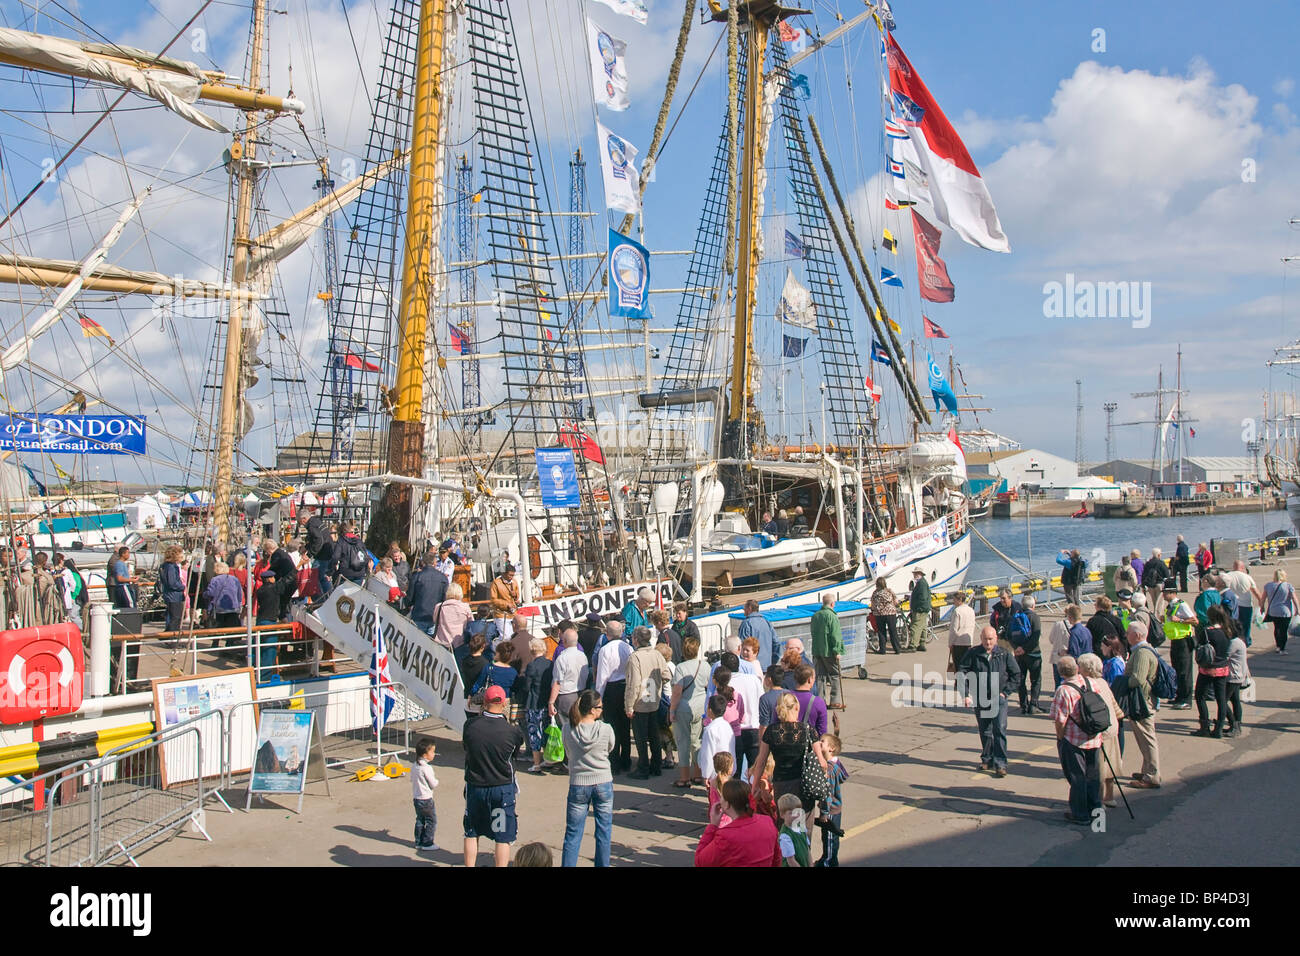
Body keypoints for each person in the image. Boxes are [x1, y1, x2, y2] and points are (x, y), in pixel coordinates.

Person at [462, 685, 525, 867]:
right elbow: (515, 754)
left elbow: (467, 748)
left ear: (485, 702)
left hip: (476, 786)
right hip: (501, 787)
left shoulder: (470, 726)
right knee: (502, 835)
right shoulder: (511, 731)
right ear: (503, 703)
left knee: (471, 832)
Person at [561, 689, 615, 867]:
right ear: (592, 710)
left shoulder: (568, 729)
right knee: (604, 831)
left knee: (573, 832)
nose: (602, 710)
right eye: (599, 707)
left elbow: (568, 753)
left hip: (578, 782)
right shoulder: (606, 729)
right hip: (603, 781)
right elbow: (610, 748)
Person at [957, 626, 1021, 777]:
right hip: (981, 698)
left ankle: (1000, 763)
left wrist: (1005, 692)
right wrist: (965, 694)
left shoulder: (1003, 654)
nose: (988, 642)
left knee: (999, 729)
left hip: (998, 699)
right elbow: (961, 672)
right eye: (985, 639)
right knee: (985, 730)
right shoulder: (973, 653)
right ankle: (987, 758)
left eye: (991, 639)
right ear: (981, 638)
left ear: (996, 639)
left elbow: (1016, 675)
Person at [751, 691, 826, 815]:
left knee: (784, 822)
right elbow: (822, 762)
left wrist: (755, 785)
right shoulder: (808, 730)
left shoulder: (771, 731)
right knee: (803, 825)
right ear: (796, 707)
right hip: (804, 785)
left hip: (781, 784)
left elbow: (761, 762)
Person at [1050, 655, 1104, 826]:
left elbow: (1060, 719)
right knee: (1093, 777)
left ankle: (1080, 814)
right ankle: (1096, 809)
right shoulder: (1090, 683)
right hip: (1094, 737)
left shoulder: (1063, 690)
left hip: (1074, 740)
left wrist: (1060, 738)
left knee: (1077, 777)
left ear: (1061, 673)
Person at [695, 779, 781, 867]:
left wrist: (712, 826)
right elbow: (777, 859)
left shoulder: (726, 836)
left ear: (727, 804)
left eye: (722, 797)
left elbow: (700, 862)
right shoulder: (767, 822)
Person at [1119, 622, 1162, 788]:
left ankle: (1152, 775)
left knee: (1147, 738)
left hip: (1142, 702)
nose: (1126, 635)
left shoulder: (1142, 653)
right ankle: (1147, 770)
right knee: (1143, 738)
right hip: (1143, 701)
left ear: (1137, 635)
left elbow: (1138, 678)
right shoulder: (1142, 651)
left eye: (1128, 632)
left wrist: (1121, 682)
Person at [1078, 653, 1123, 809]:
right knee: (1112, 763)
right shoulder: (1103, 682)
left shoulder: (1087, 685)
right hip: (1112, 726)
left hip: (1099, 729)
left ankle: (1098, 800)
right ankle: (1109, 797)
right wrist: (1118, 715)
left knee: (1099, 768)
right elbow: (1114, 704)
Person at [670, 635, 710, 788]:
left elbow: (677, 692)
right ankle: (698, 773)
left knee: (683, 742)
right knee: (697, 741)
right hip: (701, 704)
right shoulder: (705, 665)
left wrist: (672, 710)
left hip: (684, 706)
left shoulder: (681, 668)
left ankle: (684, 777)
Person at [593, 620, 633, 773]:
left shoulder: (605, 650)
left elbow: (602, 677)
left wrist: (599, 697)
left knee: (612, 726)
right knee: (624, 726)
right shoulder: (628, 648)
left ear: (607, 634)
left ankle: (614, 760)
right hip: (625, 686)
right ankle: (626, 759)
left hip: (611, 688)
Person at [1193, 605, 1233, 738]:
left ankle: (1204, 726)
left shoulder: (1207, 632)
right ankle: (1219, 729)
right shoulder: (1227, 630)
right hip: (1223, 668)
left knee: (1200, 696)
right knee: (1221, 699)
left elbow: (1199, 646)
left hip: (1208, 669)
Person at [518, 637, 553, 774]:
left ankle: (537, 763)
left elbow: (527, 686)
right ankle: (546, 759)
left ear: (532, 650)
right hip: (546, 701)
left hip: (534, 702)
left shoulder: (532, 666)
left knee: (534, 733)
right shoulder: (550, 664)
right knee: (545, 730)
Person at [813, 732, 848, 868]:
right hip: (834, 809)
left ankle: (828, 862)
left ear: (831, 748)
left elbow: (828, 793)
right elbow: (844, 776)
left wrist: (824, 812)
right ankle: (827, 858)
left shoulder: (830, 769)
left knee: (829, 838)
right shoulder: (836, 764)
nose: (819, 743)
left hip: (831, 810)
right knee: (829, 837)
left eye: (822, 742)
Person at [726, 651, 764, 773]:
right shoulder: (753, 679)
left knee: (734, 771)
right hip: (753, 727)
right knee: (754, 771)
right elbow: (761, 701)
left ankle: (737, 792)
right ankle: (753, 791)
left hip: (732, 730)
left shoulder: (725, 684)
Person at [550, 625, 589, 735]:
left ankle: (568, 752)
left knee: (566, 729)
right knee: (578, 727)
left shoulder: (562, 658)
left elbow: (557, 682)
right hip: (580, 693)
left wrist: (551, 702)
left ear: (564, 641)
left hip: (565, 696)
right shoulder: (583, 656)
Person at [1164, 586, 1198, 708]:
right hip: (1175, 640)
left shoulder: (1181, 605)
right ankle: (1179, 696)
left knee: (1184, 671)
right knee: (1177, 670)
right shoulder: (1171, 605)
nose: (1163, 595)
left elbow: (1195, 621)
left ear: (1173, 593)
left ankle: (1186, 699)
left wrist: (1180, 620)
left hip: (1184, 641)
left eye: (1166, 593)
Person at [1010, 594, 1043, 714]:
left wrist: (1017, 648)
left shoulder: (1016, 616)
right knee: (1036, 680)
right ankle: (1033, 704)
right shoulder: (1034, 617)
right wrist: (1025, 648)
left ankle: (1023, 705)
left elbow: (1010, 635)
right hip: (1033, 654)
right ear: (1033, 605)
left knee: (1021, 680)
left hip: (1019, 655)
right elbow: (1035, 636)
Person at [408, 549, 450, 633]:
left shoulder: (417, 577)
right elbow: (444, 599)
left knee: (418, 643)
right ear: (434, 563)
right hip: (434, 617)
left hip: (419, 616)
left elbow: (409, 598)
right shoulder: (443, 578)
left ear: (423, 562)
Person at [698, 694, 736, 783]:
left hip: (715, 772)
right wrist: (733, 768)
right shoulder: (727, 726)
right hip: (728, 769)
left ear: (710, 710)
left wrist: (706, 775)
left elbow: (707, 753)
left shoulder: (710, 729)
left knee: (716, 794)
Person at [411, 736, 439, 852]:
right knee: (431, 820)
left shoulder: (415, 765)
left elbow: (412, 778)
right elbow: (433, 783)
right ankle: (427, 842)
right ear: (425, 754)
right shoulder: (426, 768)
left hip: (417, 798)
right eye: (432, 751)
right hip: (426, 799)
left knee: (420, 820)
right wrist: (437, 782)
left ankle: (418, 841)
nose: (434, 754)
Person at [1261, 568, 1296, 654]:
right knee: (1284, 630)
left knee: (1277, 628)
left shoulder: (1268, 585)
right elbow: (1294, 598)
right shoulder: (1288, 586)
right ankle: (1282, 648)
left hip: (1273, 611)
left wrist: (1262, 607)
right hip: (1285, 611)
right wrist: (1298, 609)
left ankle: (1278, 646)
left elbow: (1263, 598)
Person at [1224, 624, 1250, 738]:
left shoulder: (1234, 642)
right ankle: (1237, 725)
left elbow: (1224, 656)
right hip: (1239, 675)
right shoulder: (1240, 641)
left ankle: (1233, 724)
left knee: (1222, 701)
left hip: (1233, 676)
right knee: (1235, 700)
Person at [253, 570, 281, 674]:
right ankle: (264, 675)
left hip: (260, 620)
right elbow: (287, 581)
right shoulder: (273, 589)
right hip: (270, 621)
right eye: (273, 577)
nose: (274, 579)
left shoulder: (260, 590)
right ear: (269, 579)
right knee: (269, 649)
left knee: (258, 648)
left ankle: (255, 670)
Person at [737, 599, 776, 667]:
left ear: (749, 608)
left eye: (744, 608)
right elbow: (776, 642)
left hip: (751, 666)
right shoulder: (766, 622)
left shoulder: (746, 623)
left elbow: (743, 645)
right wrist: (773, 661)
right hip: (767, 666)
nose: (743, 610)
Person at [777, 793, 811, 867]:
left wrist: (811, 865)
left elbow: (807, 849)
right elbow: (791, 861)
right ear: (782, 815)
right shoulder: (785, 836)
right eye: (791, 813)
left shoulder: (801, 827)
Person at [947, 589, 977, 677]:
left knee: (958, 663)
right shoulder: (971, 610)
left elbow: (954, 629)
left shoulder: (957, 611)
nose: (953, 602)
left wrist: (950, 643)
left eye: (954, 600)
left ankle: (958, 682)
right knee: (966, 663)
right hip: (968, 640)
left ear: (959, 600)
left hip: (958, 642)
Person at [459, 633, 490, 715]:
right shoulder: (485, 663)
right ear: (483, 647)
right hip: (480, 699)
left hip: (466, 698)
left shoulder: (464, 661)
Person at [159, 545, 186, 633]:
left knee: (175, 617)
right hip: (173, 596)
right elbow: (172, 583)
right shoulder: (170, 567)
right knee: (176, 617)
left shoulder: (167, 566)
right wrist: (182, 586)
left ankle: (170, 636)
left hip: (173, 595)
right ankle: (169, 636)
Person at [871, 578, 903, 654]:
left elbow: (872, 604)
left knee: (881, 632)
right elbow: (895, 601)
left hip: (879, 614)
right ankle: (897, 649)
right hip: (890, 613)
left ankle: (882, 649)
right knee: (893, 631)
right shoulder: (889, 591)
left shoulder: (875, 593)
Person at [906, 568, 931, 652]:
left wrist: (917, 608)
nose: (914, 575)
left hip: (920, 609)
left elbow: (923, 597)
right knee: (923, 626)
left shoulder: (921, 584)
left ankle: (913, 645)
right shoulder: (922, 582)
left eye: (915, 573)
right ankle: (922, 644)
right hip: (924, 608)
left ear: (919, 574)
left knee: (915, 626)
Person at [1142, 548, 1169, 614]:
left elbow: (1144, 574)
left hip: (1150, 585)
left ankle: (1155, 613)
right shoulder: (1161, 563)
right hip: (1159, 584)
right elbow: (1167, 574)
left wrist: (1143, 585)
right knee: (1159, 602)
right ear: (1159, 555)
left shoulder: (1148, 563)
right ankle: (1158, 616)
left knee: (1154, 601)